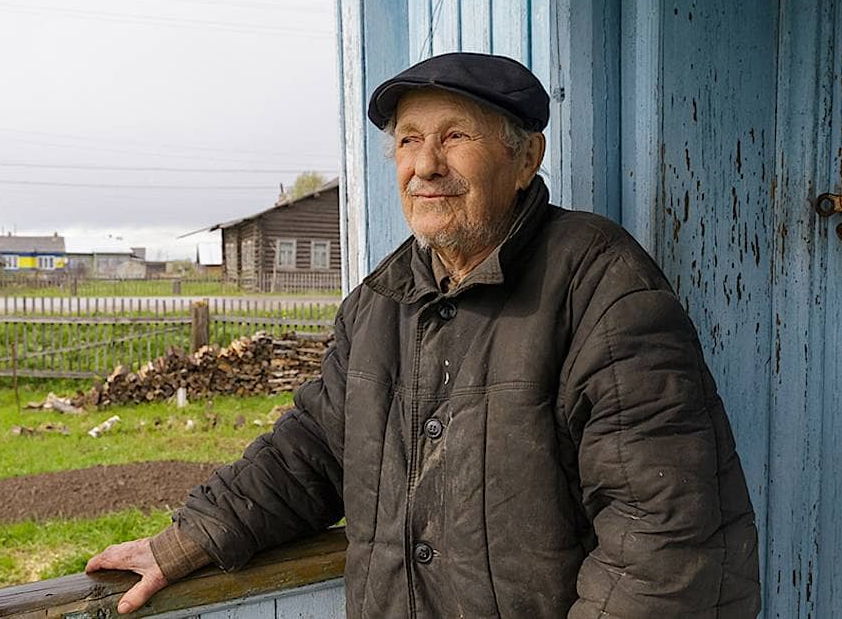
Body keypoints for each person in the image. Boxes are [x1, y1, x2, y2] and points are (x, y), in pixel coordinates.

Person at [86, 52, 761, 618]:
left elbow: (660, 536)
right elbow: (315, 449)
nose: (426, 165)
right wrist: (187, 541)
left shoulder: (600, 287)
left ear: (525, 158)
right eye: (409, 140)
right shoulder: (380, 301)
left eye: (455, 136)